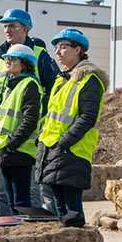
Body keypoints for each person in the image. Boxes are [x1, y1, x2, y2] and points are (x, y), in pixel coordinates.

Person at [0, 9, 59, 216]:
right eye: (5, 25)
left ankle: (28, 233)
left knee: (28, 191)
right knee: (3, 192)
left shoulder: (38, 53)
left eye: (13, 25)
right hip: (1, 136)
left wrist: (39, 115)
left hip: (25, 136)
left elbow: (51, 88)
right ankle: (5, 231)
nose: (7, 30)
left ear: (25, 28)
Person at [35, 29, 108, 227]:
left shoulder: (89, 79)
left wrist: (64, 142)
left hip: (73, 150)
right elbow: (52, 115)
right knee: (60, 210)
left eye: (64, 47)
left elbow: (87, 117)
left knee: (72, 212)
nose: (58, 52)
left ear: (78, 50)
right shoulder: (62, 79)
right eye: (56, 47)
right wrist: (43, 139)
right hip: (53, 149)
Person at [0, 44, 42, 216]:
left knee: (21, 202)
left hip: (19, 152)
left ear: (24, 63)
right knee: (11, 202)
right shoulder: (11, 85)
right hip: (7, 151)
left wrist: (11, 144)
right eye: (7, 58)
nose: (7, 61)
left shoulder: (29, 85)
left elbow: (30, 120)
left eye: (12, 59)